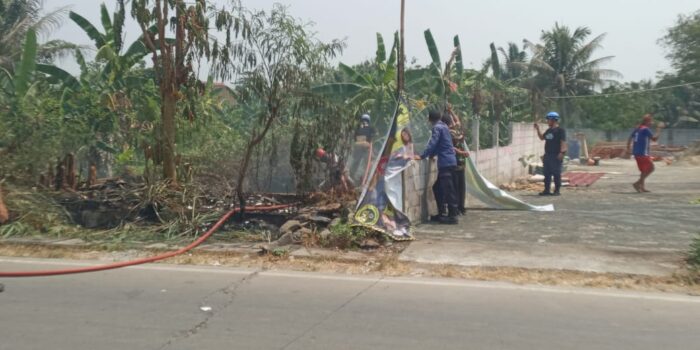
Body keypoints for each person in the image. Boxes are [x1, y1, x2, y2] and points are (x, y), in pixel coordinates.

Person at [414, 110, 459, 224]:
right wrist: (432, 154)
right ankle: (442, 212)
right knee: (438, 188)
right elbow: (440, 144)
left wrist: (423, 155)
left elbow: (433, 142)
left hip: (445, 163)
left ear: (430, 120)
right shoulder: (444, 126)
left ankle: (453, 216)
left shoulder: (437, 128)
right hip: (449, 161)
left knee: (448, 190)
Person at [626, 114, 663, 193]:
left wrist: (628, 148)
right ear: (647, 121)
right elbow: (654, 139)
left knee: (644, 170)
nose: (651, 123)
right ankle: (637, 183)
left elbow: (630, 137)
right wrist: (659, 129)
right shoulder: (645, 129)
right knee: (651, 168)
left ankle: (642, 187)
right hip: (643, 153)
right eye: (650, 121)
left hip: (636, 153)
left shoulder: (638, 129)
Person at [534, 111, 567, 196]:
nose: (547, 121)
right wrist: (537, 129)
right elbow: (542, 138)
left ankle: (557, 191)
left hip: (556, 155)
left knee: (556, 173)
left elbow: (563, 142)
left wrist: (562, 152)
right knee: (547, 173)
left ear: (554, 120)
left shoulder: (560, 131)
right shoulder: (548, 130)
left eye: (548, 119)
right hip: (548, 155)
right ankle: (546, 190)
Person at [445, 110, 469, 215]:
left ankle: (458, 208)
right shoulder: (456, 130)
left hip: (455, 162)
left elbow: (450, 147)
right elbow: (458, 121)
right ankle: (461, 207)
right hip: (460, 162)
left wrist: (451, 112)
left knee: (456, 187)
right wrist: (451, 111)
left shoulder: (449, 132)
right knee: (460, 187)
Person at [348, 114, 375, 186]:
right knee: (362, 164)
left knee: (362, 163)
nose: (364, 122)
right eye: (364, 121)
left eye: (365, 121)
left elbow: (355, 139)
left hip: (363, 148)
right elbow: (375, 135)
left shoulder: (359, 128)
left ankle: (358, 178)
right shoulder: (369, 128)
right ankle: (355, 178)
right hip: (363, 148)